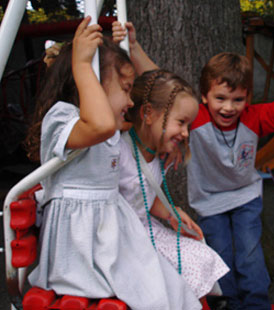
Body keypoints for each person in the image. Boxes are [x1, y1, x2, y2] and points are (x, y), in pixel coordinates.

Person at [113, 20, 274, 309]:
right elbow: (161, 83)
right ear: (205, 97)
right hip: (209, 202)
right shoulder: (197, 118)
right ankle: (228, 305)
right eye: (220, 98)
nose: (229, 107)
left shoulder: (254, 118)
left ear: (247, 99)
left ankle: (256, 305)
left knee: (250, 257)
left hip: (246, 198)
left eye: (238, 99)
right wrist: (134, 46)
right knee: (221, 257)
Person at [25, 17, 201, 310]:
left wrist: (128, 46)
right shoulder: (64, 119)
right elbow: (101, 124)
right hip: (79, 249)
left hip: (109, 238)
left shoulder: (112, 131)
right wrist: (83, 66)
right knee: (153, 293)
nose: (131, 101)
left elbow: (163, 94)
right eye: (124, 89)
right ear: (89, 82)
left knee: (170, 287)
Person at [118, 69, 230, 301]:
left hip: (144, 229)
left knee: (199, 250)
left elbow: (144, 196)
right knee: (173, 270)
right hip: (123, 236)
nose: (185, 133)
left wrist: (172, 215)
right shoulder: (118, 151)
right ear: (148, 113)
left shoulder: (161, 155)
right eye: (181, 123)